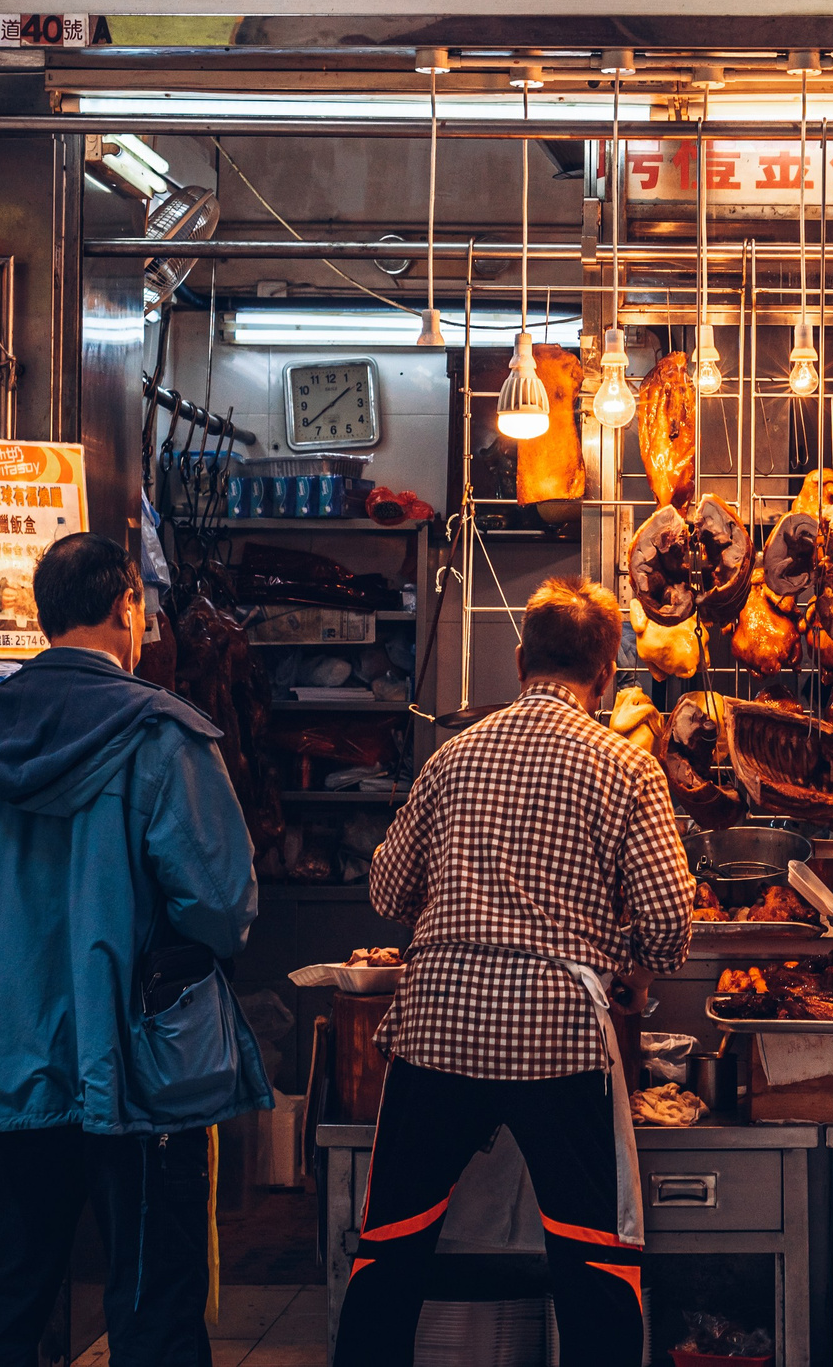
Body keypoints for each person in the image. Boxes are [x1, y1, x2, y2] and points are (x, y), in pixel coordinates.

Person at [0, 533, 269, 1367]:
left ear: (43, 618)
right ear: (127, 608)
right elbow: (222, 905)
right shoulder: (161, 737)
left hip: (10, 1063)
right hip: (140, 1072)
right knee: (154, 1311)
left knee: (8, 1297)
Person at [335, 577, 694, 1367]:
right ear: (606, 674)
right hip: (560, 1037)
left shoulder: (453, 757)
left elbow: (389, 889)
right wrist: (634, 967)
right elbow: (669, 921)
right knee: (594, 1256)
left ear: (519, 655)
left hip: (437, 1027)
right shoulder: (625, 769)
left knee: (391, 1244)